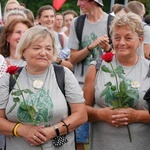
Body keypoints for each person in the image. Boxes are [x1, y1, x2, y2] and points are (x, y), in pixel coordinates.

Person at [0, 25, 87, 150]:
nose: (43, 53)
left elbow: (81, 114)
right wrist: (22, 130)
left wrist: (52, 131)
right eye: (36, 48)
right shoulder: (9, 79)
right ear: (24, 50)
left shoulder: (63, 74)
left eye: (48, 48)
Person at [83, 12, 150, 150]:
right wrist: (101, 114)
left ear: (140, 40)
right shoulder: (97, 67)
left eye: (128, 38)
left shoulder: (148, 69)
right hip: (103, 145)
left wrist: (137, 116)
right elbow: (81, 111)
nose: (122, 43)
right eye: (117, 38)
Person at [68, 0, 113, 149]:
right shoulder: (77, 23)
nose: (78, 4)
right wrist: (90, 46)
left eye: (81, 0)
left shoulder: (112, 21)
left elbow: (121, 57)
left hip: (105, 84)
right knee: (79, 135)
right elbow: (73, 59)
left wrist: (108, 49)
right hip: (80, 85)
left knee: (106, 131)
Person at [37, 5, 73, 70]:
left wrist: (59, 61)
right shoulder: (33, 37)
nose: (49, 19)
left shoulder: (62, 38)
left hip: (56, 75)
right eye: (46, 17)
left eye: (52, 16)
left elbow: (71, 65)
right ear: (38, 19)